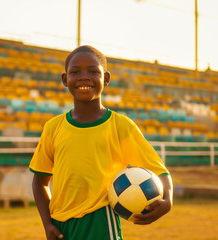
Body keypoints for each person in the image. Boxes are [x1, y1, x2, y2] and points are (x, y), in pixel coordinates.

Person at [29, 45, 173, 240]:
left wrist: (168, 199)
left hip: (100, 220)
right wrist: (47, 223)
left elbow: (159, 170)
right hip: (60, 223)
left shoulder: (120, 126)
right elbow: (40, 182)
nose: (84, 77)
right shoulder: (53, 127)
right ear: (65, 79)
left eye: (93, 71)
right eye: (75, 72)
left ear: (105, 79)